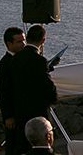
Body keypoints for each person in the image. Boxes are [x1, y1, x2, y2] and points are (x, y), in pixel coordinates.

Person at [12, 25, 57, 154]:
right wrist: (53, 98)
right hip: (37, 109)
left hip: (20, 109)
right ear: (43, 40)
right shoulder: (40, 60)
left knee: (23, 145)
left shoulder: (15, 58)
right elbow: (47, 85)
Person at [0, 27, 25, 154]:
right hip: (14, 114)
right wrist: (8, 116)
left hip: (23, 110)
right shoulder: (4, 66)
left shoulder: (22, 59)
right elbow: (2, 92)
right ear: (9, 44)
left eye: (24, 40)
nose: (23, 44)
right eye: (19, 41)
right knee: (13, 145)